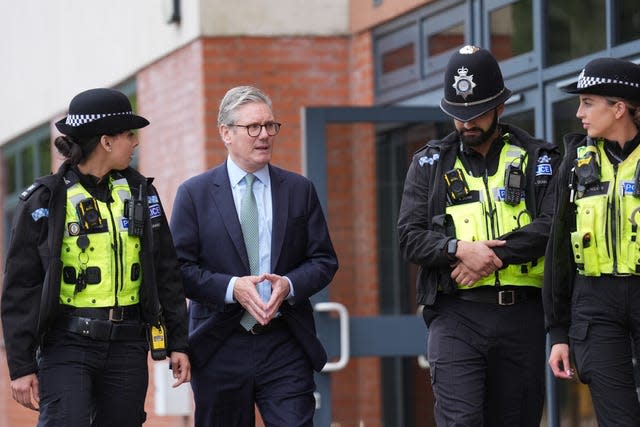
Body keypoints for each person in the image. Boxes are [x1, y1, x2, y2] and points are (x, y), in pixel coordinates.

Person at [1, 88, 191, 426]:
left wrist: (178, 342)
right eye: (128, 134)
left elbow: (166, 272)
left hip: (128, 346)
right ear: (106, 141)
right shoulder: (45, 200)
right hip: (66, 347)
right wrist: (22, 366)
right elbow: (20, 288)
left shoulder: (141, 192)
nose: (135, 142)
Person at [397, 45, 560, 426]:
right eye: (458, 115)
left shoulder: (539, 158)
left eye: (476, 114)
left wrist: (490, 258)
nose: (466, 124)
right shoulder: (429, 164)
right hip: (456, 316)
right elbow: (409, 235)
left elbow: (551, 224)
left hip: (522, 315)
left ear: (500, 107)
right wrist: (458, 249)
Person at [170, 85, 338, 427]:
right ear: (226, 133)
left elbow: (323, 260)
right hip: (219, 344)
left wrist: (289, 284)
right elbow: (179, 270)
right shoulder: (195, 194)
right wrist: (233, 288)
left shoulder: (298, 190)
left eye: (270, 126)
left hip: (284, 341)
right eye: (253, 127)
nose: (264, 135)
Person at [544, 57, 640, 427]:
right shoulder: (575, 163)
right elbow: (558, 254)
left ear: (619, 108)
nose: (579, 112)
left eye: (588, 102)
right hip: (595, 306)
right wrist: (558, 333)